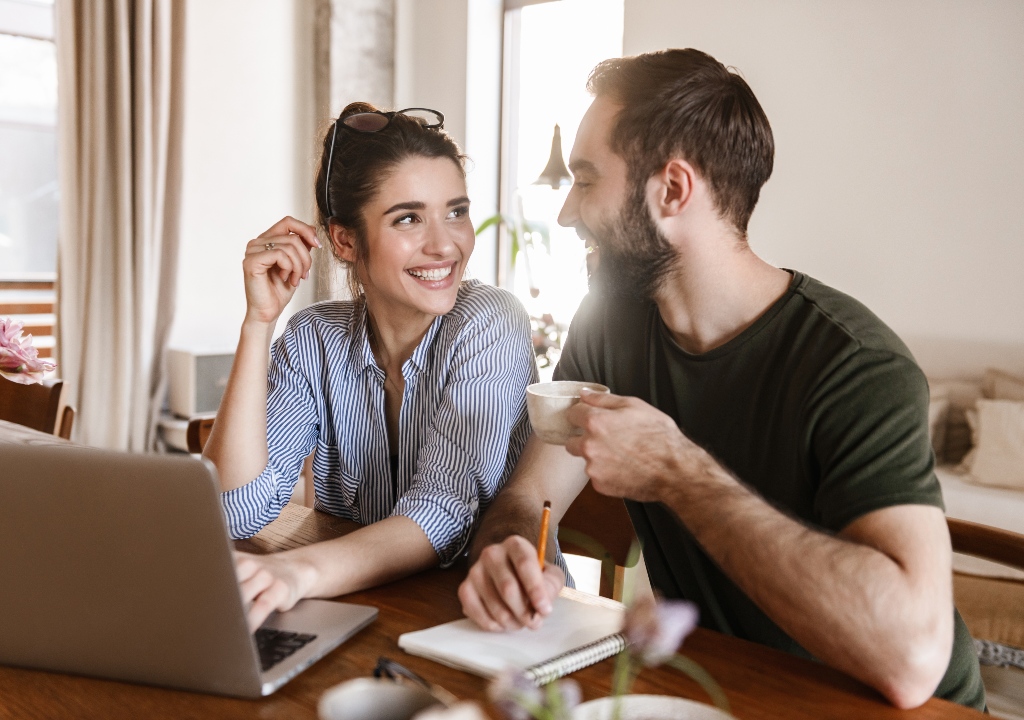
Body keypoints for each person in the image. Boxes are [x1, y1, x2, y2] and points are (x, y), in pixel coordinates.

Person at [457, 50, 985, 711]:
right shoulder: (610, 326)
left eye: (587, 181)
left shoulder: (857, 368)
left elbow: (912, 660)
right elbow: (530, 497)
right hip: (725, 687)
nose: (565, 213)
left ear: (673, 190)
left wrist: (677, 470)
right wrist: (509, 550)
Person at [203, 103, 537, 632]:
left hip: (489, 627)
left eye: (456, 211)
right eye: (408, 217)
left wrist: (296, 572)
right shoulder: (314, 338)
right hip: (376, 613)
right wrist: (258, 323)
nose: (445, 243)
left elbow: (442, 513)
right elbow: (235, 511)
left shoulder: (489, 323)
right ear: (344, 240)